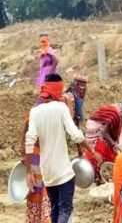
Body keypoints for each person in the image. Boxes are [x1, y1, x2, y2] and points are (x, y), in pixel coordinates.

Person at [25, 74, 101, 223]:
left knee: (55, 210)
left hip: (47, 173)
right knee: (65, 209)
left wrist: (29, 172)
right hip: (63, 172)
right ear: (58, 91)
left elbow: (29, 140)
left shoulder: (35, 112)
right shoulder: (61, 108)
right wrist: (92, 151)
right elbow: (76, 136)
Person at [19, 75, 65, 223]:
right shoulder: (58, 111)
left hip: (36, 163)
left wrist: (26, 162)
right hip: (46, 165)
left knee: (38, 202)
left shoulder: (34, 112)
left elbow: (24, 138)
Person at [84, 99, 122, 183]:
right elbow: (104, 132)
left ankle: (100, 172)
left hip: (101, 129)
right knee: (102, 149)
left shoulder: (120, 111)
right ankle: (97, 173)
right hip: (96, 129)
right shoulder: (116, 114)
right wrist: (113, 145)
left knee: (109, 148)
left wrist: (114, 144)